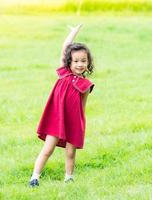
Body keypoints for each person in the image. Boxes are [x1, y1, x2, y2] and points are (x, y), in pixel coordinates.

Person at [29, 24, 94, 187]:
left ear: (88, 62)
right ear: (69, 62)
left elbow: (82, 107)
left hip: (73, 122)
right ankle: (35, 177)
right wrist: (73, 33)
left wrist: (81, 125)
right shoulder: (64, 73)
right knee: (48, 149)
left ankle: (69, 178)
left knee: (70, 153)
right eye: (76, 61)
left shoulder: (86, 84)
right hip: (56, 120)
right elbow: (65, 48)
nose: (80, 64)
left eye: (83, 61)